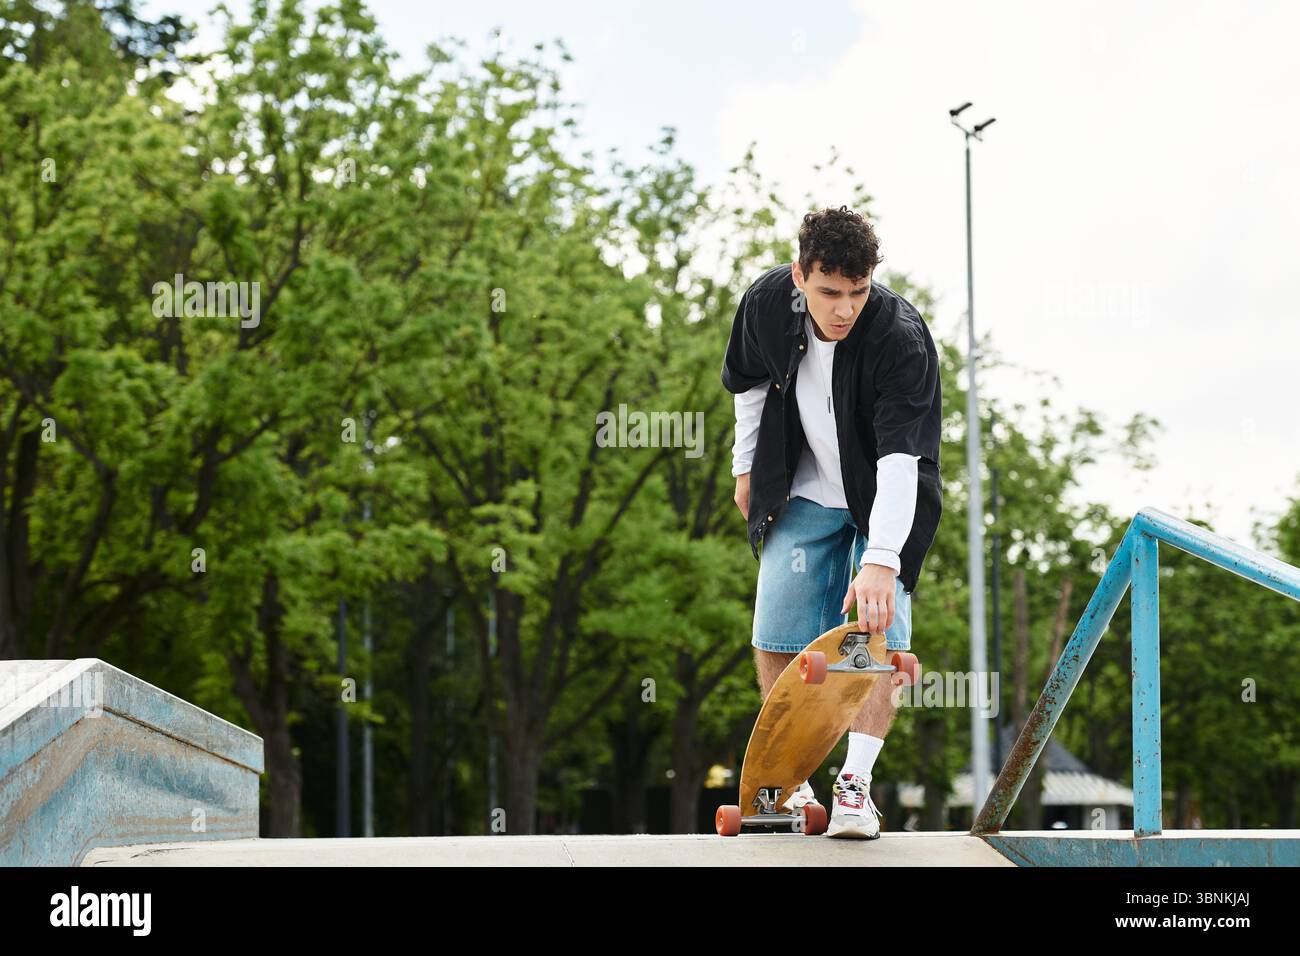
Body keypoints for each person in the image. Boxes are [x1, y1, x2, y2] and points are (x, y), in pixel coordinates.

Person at [721, 205, 943, 838]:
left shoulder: (899, 336)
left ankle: (856, 786)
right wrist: (745, 468)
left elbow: (902, 459)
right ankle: (793, 783)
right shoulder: (765, 304)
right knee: (774, 632)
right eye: (829, 293)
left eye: (858, 292)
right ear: (799, 276)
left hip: (886, 495)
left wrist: (880, 560)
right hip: (803, 487)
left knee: (881, 636)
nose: (844, 308)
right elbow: (748, 383)